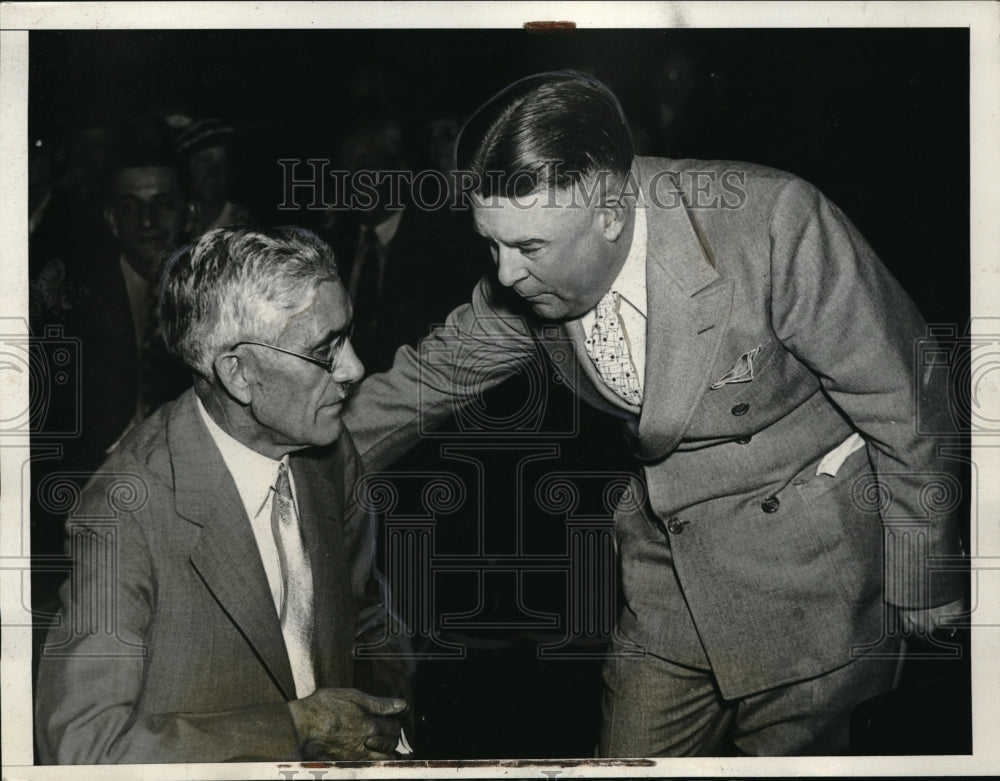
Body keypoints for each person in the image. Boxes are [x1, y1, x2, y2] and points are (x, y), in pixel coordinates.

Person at [342, 71, 966, 756]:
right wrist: (305, 450)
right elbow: (431, 377)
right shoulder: (526, 284)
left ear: (611, 211)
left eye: (528, 248)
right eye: (491, 243)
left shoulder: (770, 223)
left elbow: (906, 395)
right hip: (666, 574)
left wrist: (923, 568)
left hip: (815, 577)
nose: (505, 274)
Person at [35, 226, 410, 763]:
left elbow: (365, 616)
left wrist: (392, 726)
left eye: (345, 335)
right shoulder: (124, 513)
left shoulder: (326, 448)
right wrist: (291, 729)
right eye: (324, 350)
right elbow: (82, 747)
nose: (354, 369)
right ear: (238, 374)